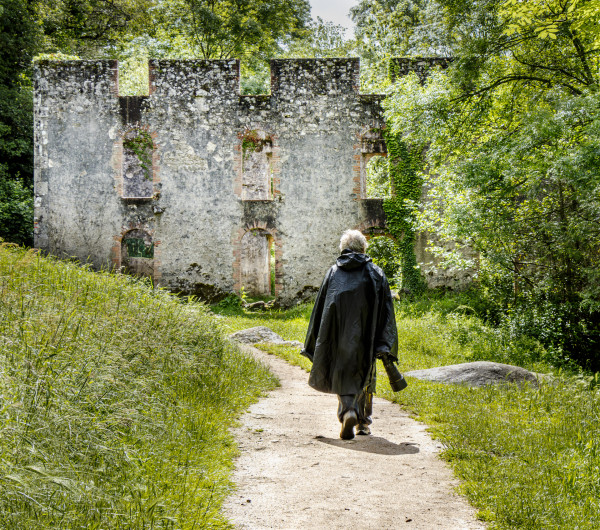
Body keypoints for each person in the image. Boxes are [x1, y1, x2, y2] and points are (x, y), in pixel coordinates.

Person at [301, 229, 398, 440]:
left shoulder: (334, 272)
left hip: (337, 334)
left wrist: (315, 338)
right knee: (366, 373)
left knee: (343, 372)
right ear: (363, 248)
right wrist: (384, 342)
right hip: (367, 335)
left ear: (344, 249)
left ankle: (348, 412)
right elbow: (386, 310)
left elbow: (321, 308)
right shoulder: (376, 272)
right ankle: (362, 422)